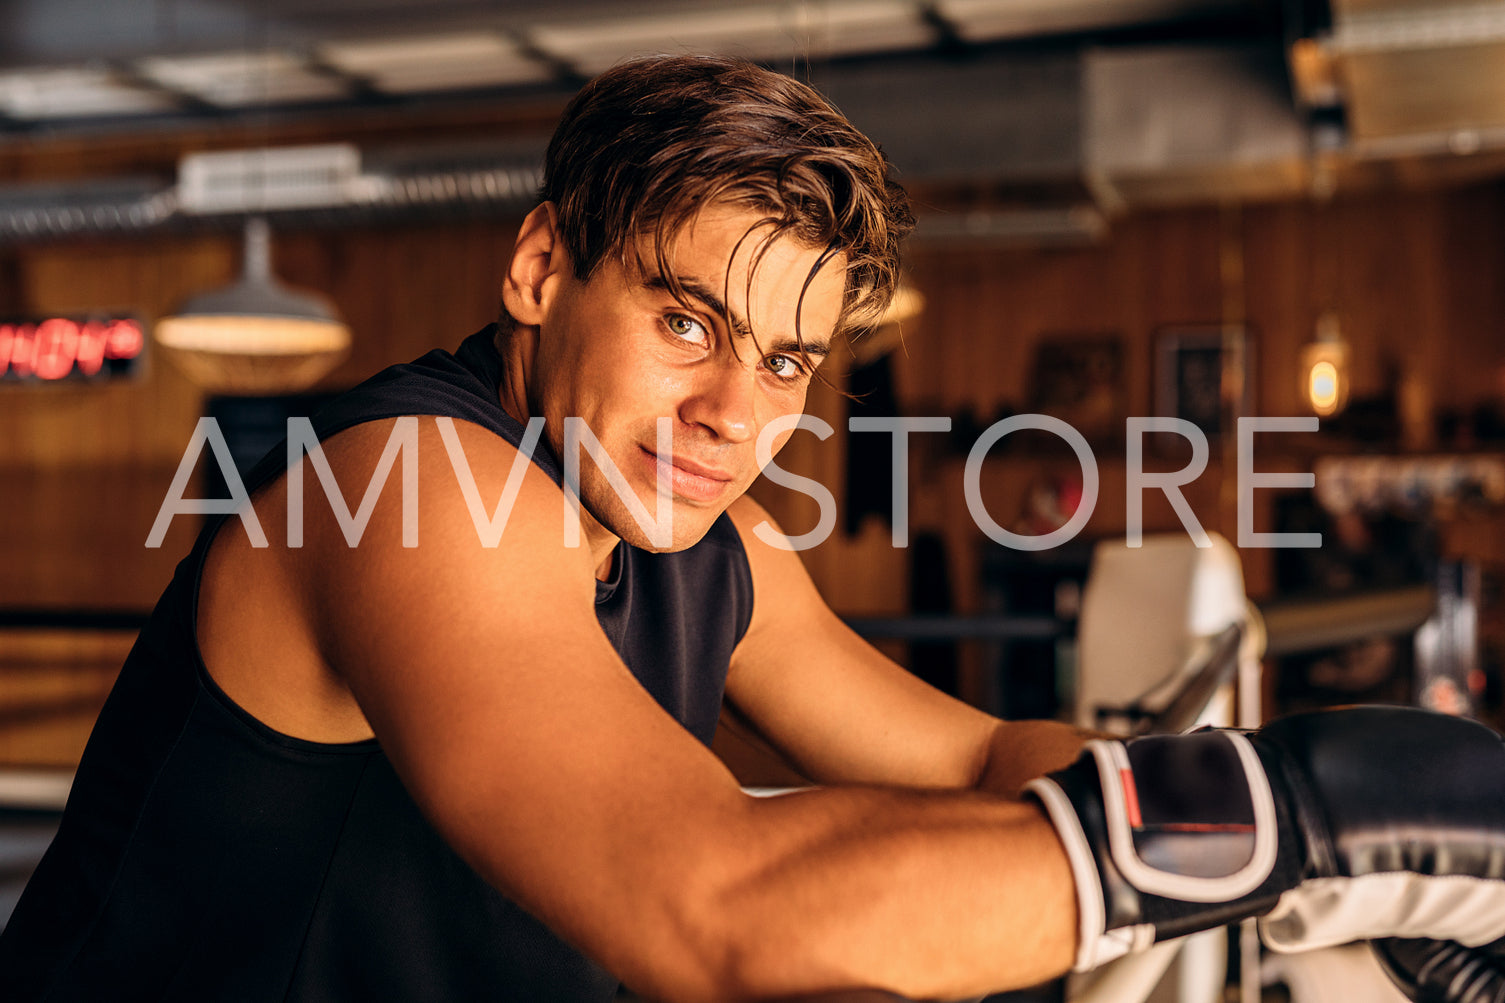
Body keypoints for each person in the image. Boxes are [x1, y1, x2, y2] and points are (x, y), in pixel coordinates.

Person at [2, 54, 1504, 1003]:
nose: (735, 410)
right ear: (540, 269)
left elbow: (976, 759)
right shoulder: (413, 490)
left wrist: (1262, 866)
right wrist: (1305, 809)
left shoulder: (696, 537)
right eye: (682, 320)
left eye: (783, 361)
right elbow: (710, 907)